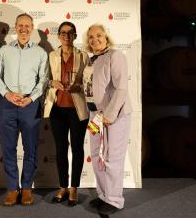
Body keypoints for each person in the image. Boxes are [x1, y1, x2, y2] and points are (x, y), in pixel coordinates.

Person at [0, 13, 48, 206]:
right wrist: (8, 94)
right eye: (20, 25)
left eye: (27, 25)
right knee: (8, 149)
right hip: (7, 104)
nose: (23, 29)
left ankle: (26, 188)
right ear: (15, 28)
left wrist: (31, 98)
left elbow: (43, 80)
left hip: (30, 105)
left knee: (30, 149)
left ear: (32, 28)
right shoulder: (4, 51)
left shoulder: (41, 53)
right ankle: (11, 189)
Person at [83, 24, 132, 215]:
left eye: (99, 35)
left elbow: (121, 89)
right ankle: (103, 195)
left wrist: (110, 115)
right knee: (96, 155)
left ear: (106, 37)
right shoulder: (90, 60)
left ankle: (114, 200)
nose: (95, 39)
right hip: (95, 116)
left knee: (112, 157)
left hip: (114, 115)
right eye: (91, 36)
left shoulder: (116, 56)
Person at [43, 21, 89, 206]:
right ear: (59, 35)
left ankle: (74, 189)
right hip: (57, 108)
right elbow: (44, 78)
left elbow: (89, 81)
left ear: (75, 36)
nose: (66, 36)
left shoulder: (84, 56)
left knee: (77, 149)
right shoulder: (51, 55)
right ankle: (63, 187)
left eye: (70, 33)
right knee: (61, 150)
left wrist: (80, 85)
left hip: (77, 109)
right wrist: (51, 83)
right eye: (63, 33)